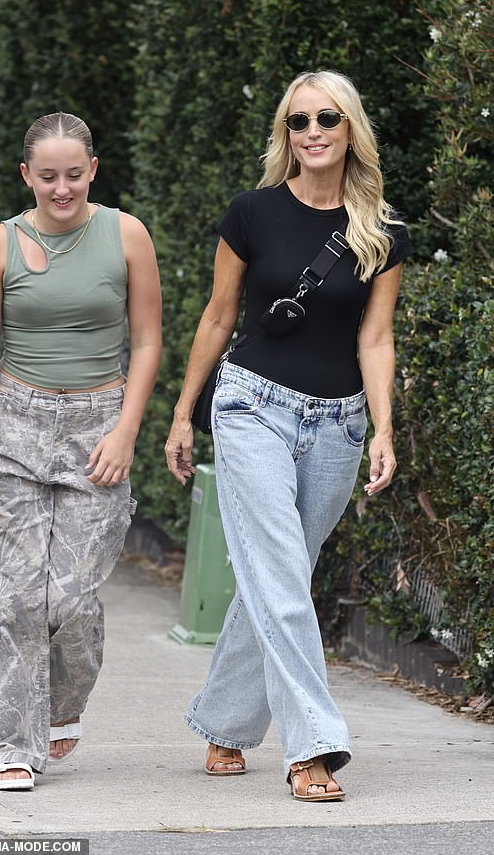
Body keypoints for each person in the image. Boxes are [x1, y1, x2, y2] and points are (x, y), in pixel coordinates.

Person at [165, 70, 413, 802]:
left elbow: (376, 338)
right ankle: (312, 745)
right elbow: (217, 316)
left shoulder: (383, 232)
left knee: (279, 576)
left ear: (349, 129)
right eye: (298, 120)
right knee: (277, 570)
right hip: (251, 406)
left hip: (337, 422)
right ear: (285, 133)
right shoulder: (251, 212)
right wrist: (185, 411)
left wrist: (383, 426)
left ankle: (225, 721)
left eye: (327, 118)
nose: (312, 131)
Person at [0, 111, 162, 790]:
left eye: (74, 174)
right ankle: (9, 746)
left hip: (98, 423)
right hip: (13, 422)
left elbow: (146, 342)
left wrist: (126, 430)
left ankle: (59, 707)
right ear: (27, 175)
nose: (62, 188)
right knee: (8, 598)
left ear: (93, 170)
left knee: (70, 599)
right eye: (48, 176)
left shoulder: (126, 235)